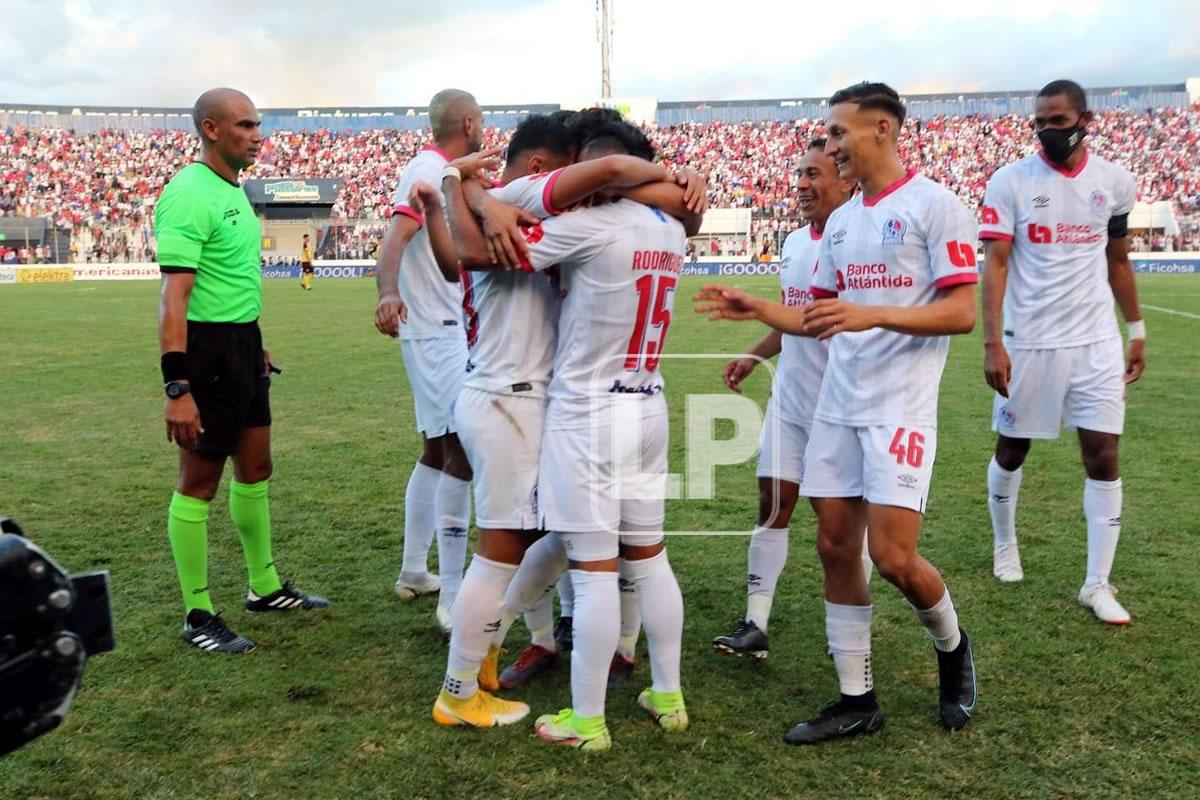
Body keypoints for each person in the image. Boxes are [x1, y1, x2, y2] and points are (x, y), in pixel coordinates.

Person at [695, 82, 978, 743]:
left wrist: (873, 312)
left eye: (838, 134)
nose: (831, 146)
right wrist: (759, 310)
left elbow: (962, 312)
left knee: (894, 558)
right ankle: (857, 699)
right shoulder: (844, 224)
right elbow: (816, 315)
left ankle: (953, 645)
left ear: (882, 128)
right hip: (838, 408)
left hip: (899, 410)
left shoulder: (936, 206)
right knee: (832, 546)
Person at [155, 88, 328, 655]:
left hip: (243, 348)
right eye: (247, 124)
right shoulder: (188, 193)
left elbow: (231, 281)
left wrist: (256, 343)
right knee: (199, 482)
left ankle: (264, 587)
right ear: (211, 128)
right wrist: (177, 387)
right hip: (204, 354)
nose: (258, 134)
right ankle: (198, 611)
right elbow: (173, 299)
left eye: (258, 124)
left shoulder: (234, 190)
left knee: (256, 467)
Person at [980, 79, 1145, 624]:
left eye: (1058, 120)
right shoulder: (1011, 182)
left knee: (1103, 454)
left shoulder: (1115, 182)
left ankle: (1097, 583)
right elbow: (996, 266)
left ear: (1084, 119)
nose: (1048, 131)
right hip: (1031, 342)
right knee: (1012, 450)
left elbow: (1118, 262)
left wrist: (1136, 330)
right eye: (1040, 122)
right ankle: (1006, 544)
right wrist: (994, 343)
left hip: (1096, 342)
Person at [710, 139, 867, 661]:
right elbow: (794, 316)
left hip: (843, 407)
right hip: (791, 400)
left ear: (846, 180)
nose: (801, 184)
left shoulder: (862, 243)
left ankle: (847, 629)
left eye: (814, 174)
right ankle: (755, 622)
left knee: (839, 528)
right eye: (798, 173)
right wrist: (756, 356)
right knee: (772, 504)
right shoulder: (797, 242)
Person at [373, 89, 483, 632]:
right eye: (481, 121)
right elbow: (396, 237)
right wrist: (387, 292)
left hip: (434, 329)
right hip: (437, 330)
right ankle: (453, 598)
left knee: (437, 450)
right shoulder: (429, 169)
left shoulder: (440, 168)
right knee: (463, 449)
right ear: (468, 122)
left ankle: (416, 571)